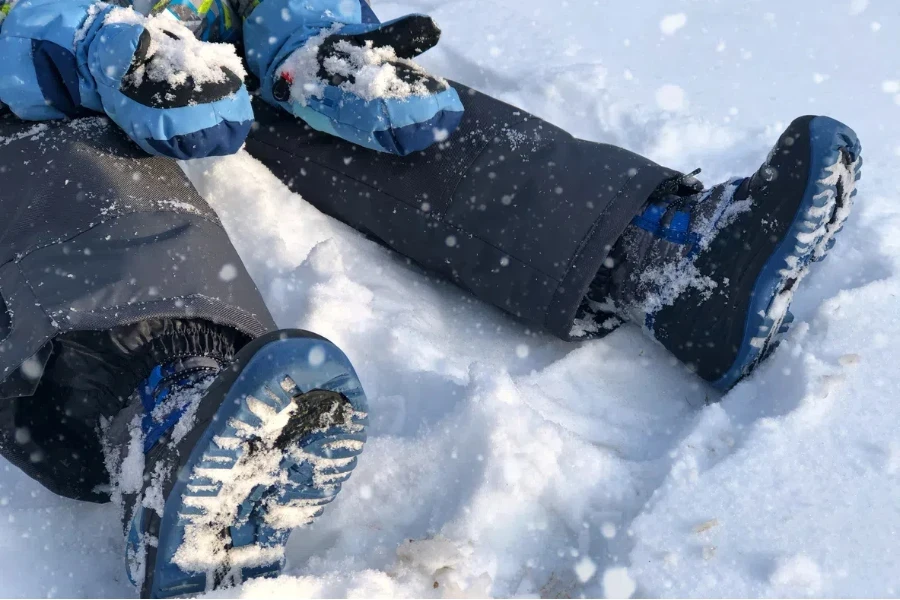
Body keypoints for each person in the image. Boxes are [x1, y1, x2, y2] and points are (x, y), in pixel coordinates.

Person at [0, 0, 863, 598]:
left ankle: (668, 264)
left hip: (190, 62)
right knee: (66, 167)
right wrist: (77, 46)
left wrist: (306, 39)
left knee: (375, 109)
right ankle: (171, 428)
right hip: (25, 105)